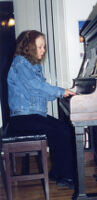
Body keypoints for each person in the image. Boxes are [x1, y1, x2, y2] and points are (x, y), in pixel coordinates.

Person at [7, 30, 76, 188]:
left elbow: (41, 92)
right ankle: (65, 176)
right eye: (40, 47)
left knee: (63, 129)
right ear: (29, 47)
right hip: (21, 118)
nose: (43, 50)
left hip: (32, 115)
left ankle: (58, 172)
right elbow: (35, 86)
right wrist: (61, 91)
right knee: (62, 130)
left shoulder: (33, 66)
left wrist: (63, 94)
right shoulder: (20, 62)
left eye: (44, 47)